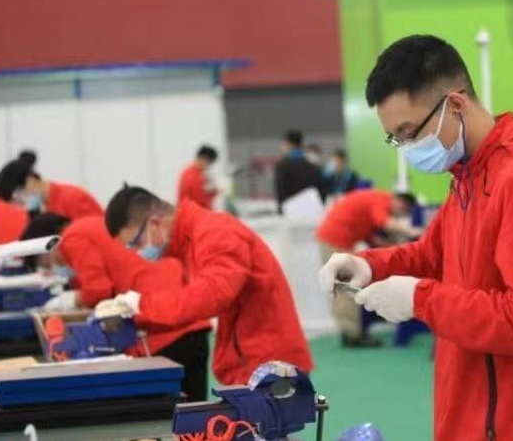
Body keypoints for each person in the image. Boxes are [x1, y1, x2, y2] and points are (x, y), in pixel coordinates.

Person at [318, 35, 513, 441]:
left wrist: (420, 299)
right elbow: (432, 255)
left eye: (410, 132)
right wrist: (367, 264)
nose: (407, 148)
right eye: (397, 138)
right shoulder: (468, 176)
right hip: (469, 408)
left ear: (455, 105)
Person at [98, 186, 314, 385]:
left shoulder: (215, 232)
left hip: (268, 363)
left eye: (138, 242)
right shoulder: (193, 240)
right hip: (253, 359)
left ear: (155, 223)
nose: (139, 253)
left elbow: (212, 294)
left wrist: (140, 306)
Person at [21, 213, 212, 401]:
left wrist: (70, 300)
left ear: (48, 245)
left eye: (44, 264)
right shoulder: (93, 225)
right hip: (188, 320)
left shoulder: (72, 238)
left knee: (172, 411)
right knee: (196, 412)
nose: (50, 270)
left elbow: (98, 290)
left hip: (163, 329)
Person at [317, 189, 419, 347]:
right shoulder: (382, 200)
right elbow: (385, 223)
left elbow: (371, 236)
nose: (398, 216)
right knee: (346, 287)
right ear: (400, 202)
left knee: (345, 285)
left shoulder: (373, 200)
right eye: (403, 211)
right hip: (335, 241)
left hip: (335, 239)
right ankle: (352, 335)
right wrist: (415, 232)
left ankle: (351, 331)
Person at [8, 165, 103, 219]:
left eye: (21, 193)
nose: (22, 200)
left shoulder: (69, 197)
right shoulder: (47, 204)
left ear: (30, 180)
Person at [274, 130, 325, 213]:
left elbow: (281, 194)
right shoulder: (313, 167)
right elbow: (322, 192)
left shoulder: (282, 166)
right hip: (311, 213)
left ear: (288, 143)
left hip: (290, 214)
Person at [177, 145, 219, 209]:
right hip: (192, 212)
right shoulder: (193, 176)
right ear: (204, 159)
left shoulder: (189, 172)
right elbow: (202, 202)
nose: (208, 167)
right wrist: (214, 192)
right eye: (209, 164)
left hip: (188, 211)